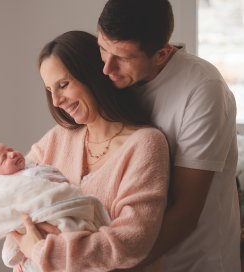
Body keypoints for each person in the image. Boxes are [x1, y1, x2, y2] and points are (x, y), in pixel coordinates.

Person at [96, 0, 240, 271]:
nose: (107, 68)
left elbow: (185, 213)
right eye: (103, 48)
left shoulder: (201, 89)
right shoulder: (111, 78)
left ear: (162, 54)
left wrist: (111, 266)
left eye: (124, 58)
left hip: (194, 261)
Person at [9, 30, 170, 271]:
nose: (56, 101)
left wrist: (41, 251)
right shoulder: (59, 137)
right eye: (50, 90)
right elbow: (12, 198)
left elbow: (132, 241)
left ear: (93, 75)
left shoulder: (145, 144)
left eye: (63, 85)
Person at [0, 142, 111, 271]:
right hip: (44, 217)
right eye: (4, 159)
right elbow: (18, 221)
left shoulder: (32, 166)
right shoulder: (12, 187)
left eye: (10, 149)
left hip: (66, 209)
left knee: (75, 231)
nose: (12, 154)